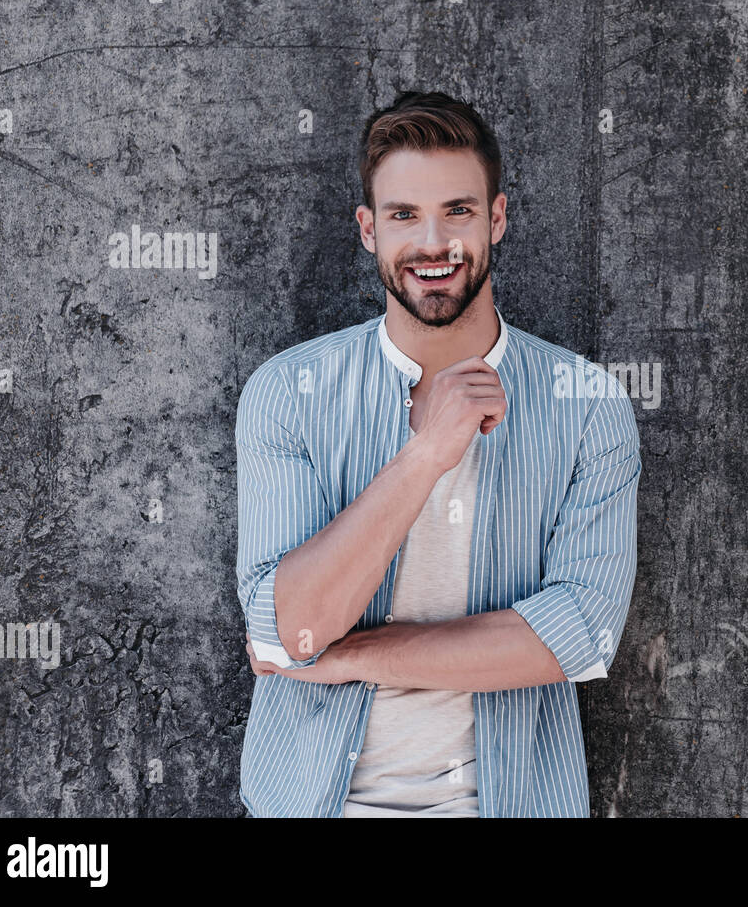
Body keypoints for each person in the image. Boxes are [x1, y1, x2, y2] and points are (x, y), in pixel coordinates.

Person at [233, 90, 641, 817]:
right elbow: (285, 626)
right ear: (368, 230)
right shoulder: (287, 393)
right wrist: (426, 455)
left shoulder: (589, 407)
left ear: (497, 219)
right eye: (403, 216)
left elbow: (580, 637)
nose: (432, 243)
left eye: (457, 210)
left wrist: (346, 656)